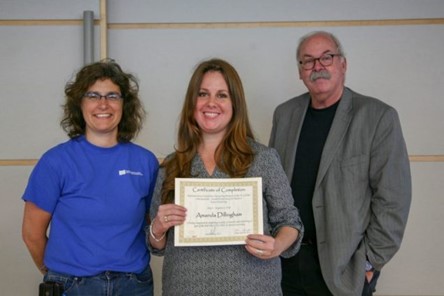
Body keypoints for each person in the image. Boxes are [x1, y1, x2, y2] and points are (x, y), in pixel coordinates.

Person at [269, 30, 412, 296]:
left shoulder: (377, 117)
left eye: (327, 57)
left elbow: (394, 200)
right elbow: (271, 188)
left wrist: (369, 263)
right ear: (300, 72)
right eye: (308, 61)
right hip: (285, 264)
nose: (317, 67)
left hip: (342, 270)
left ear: (343, 64)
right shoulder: (285, 115)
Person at [147, 58, 304, 295]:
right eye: (202, 94)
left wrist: (277, 245)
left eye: (222, 95)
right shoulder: (170, 165)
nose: (211, 103)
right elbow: (157, 246)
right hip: (186, 288)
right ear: (192, 103)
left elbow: (290, 222)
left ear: (235, 104)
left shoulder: (263, 158)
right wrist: (157, 229)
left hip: (252, 288)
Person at [21, 59, 159, 296]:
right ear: (79, 104)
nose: (103, 104)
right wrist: (56, 274)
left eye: (113, 96)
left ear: (125, 104)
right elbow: (32, 234)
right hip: (72, 286)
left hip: (133, 285)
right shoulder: (55, 162)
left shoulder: (145, 162)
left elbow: (152, 225)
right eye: (93, 95)